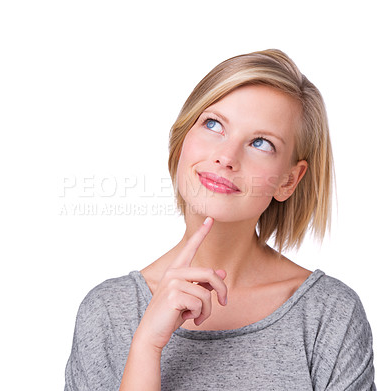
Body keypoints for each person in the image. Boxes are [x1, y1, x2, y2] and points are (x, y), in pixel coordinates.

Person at [64, 49, 376, 390]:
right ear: (183, 138)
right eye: (213, 124)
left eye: (261, 143)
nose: (226, 157)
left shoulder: (330, 317)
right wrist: (145, 348)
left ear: (288, 180)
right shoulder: (108, 314)